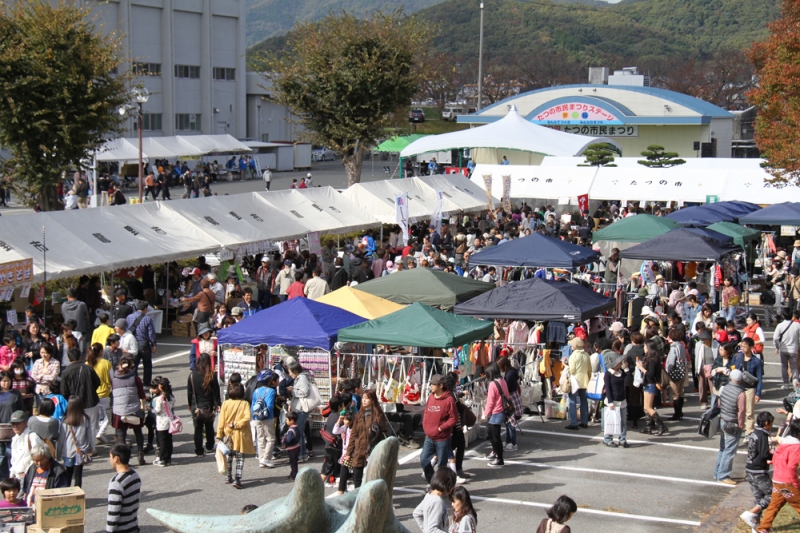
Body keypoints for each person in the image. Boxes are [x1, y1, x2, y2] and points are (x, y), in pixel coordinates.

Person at [755, 418, 800, 532]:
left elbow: (774, 458)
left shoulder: (784, 443)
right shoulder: (796, 447)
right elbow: (791, 466)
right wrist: (795, 483)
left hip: (777, 480)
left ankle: (763, 527)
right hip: (788, 482)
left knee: (774, 505)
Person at [342, 389, 386, 491]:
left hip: (372, 450)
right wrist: (348, 453)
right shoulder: (358, 415)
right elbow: (353, 435)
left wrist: (377, 431)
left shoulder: (378, 415)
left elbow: (384, 433)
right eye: (363, 398)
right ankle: (358, 498)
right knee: (357, 477)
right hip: (358, 450)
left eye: (367, 398)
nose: (364, 400)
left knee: (373, 477)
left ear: (373, 400)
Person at [740, 411, 775, 530]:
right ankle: (750, 513)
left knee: (758, 497)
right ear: (766, 423)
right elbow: (764, 454)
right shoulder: (763, 435)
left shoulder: (754, 433)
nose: (771, 426)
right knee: (773, 495)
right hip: (758, 471)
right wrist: (775, 457)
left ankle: (756, 525)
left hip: (749, 469)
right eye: (771, 423)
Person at [217, 381, 254, 489]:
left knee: (228, 455)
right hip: (240, 435)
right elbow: (247, 418)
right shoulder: (244, 404)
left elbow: (221, 421)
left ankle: (228, 476)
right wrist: (236, 424)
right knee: (240, 457)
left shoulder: (225, 403)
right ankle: (237, 479)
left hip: (228, 434)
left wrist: (219, 435)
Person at [111, 356, 147, 466]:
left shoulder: (114, 378)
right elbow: (142, 395)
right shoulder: (135, 379)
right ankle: (140, 455)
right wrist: (143, 408)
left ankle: (123, 460)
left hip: (118, 410)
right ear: (131, 366)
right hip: (134, 409)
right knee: (138, 432)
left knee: (121, 435)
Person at [421, 374, 457, 481]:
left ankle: (440, 486)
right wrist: (425, 425)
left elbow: (453, 418)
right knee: (424, 459)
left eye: (433, 384)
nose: (431, 386)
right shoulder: (431, 397)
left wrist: (441, 428)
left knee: (442, 464)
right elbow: (426, 412)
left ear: (441, 385)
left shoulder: (449, 400)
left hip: (442, 438)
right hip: (429, 436)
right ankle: (432, 481)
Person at [61, 346, 101, 440]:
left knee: (77, 425)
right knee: (91, 425)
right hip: (91, 401)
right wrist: (90, 390)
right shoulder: (89, 368)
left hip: (74, 404)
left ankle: (80, 445)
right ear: (80, 357)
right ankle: (91, 448)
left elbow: (64, 391)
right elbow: (98, 383)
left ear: (69, 359)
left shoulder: (65, 372)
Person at [715, 369, 746, 485]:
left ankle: (717, 472)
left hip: (723, 420)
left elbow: (719, 403)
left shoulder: (724, 388)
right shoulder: (740, 393)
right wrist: (741, 424)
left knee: (723, 448)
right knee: (729, 450)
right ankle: (723, 475)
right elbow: (741, 411)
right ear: (740, 380)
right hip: (732, 423)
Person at [188, 353, 221, 457]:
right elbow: (216, 391)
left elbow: (189, 391)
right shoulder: (211, 374)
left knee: (197, 428)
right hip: (208, 405)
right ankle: (210, 446)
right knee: (209, 426)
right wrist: (218, 404)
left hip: (196, 405)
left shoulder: (192, 375)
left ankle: (199, 450)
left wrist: (190, 404)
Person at [58, 396, 94, 487]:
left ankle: (67, 495)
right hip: (81, 451)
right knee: (78, 476)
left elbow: (61, 438)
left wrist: (58, 454)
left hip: (68, 452)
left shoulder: (65, 420)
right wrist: (92, 448)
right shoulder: (85, 419)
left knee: (68, 475)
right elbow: (90, 435)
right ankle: (78, 496)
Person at [288, 360, 320, 462]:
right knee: (299, 431)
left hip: (302, 409)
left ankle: (301, 454)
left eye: (290, 372)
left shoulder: (302, 377)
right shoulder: (300, 377)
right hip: (298, 408)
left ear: (295, 370)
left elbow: (305, 392)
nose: (289, 374)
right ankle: (301, 454)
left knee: (299, 431)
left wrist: (292, 390)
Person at [106, 443, 142, 533]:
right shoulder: (135, 475)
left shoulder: (117, 483)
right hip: (133, 526)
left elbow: (113, 512)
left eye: (110, 456)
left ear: (116, 458)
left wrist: (109, 531)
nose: (109, 460)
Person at [733, 337, 764, 435]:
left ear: (751, 347)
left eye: (745, 346)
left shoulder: (756, 361)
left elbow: (759, 377)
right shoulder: (737, 357)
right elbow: (732, 369)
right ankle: (738, 429)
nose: (743, 348)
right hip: (737, 387)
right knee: (737, 410)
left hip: (749, 388)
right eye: (742, 346)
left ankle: (749, 432)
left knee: (749, 412)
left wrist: (758, 393)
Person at [636, 339, 667, 436]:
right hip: (648, 384)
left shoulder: (652, 359)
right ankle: (648, 426)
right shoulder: (650, 358)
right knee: (646, 407)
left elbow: (650, 374)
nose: (644, 348)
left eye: (645, 347)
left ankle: (661, 425)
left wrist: (641, 368)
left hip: (651, 384)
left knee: (648, 407)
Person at [413, 468, 456, 533]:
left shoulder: (429, 495)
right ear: (448, 484)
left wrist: (425, 530)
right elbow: (432, 529)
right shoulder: (437, 502)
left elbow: (416, 513)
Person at [126, 300, 157, 388]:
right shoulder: (147, 319)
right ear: (145, 309)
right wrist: (154, 344)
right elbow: (151, 333)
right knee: (147, 364)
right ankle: (146, 384)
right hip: (144, 343)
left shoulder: (129, 317)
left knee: (134, 364)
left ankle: (135, 383)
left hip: (132, 342)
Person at [483, 362, 509, 467]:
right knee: (490, 432)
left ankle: (499, 459)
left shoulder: (492, 384)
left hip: (496, 412)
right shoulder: (502, 380)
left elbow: (490, 402)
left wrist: (485, 414)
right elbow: (507, 395)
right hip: (502, 410)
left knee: (495, 436)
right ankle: (495, 453)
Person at [87, 343, 113, 444]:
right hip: (105, 393)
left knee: (95, 416)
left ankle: (96, 434)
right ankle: (101, 432)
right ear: (101, 351)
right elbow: (112, 378)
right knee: (109, 414)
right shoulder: (106, 363)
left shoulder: (87, 363)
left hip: (92, 394)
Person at [602, 350, 629, 448]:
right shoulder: (608, 374)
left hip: (622, 400)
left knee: (623, 421)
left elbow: (628, 379)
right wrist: (610, 402)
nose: (621, 363)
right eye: (619, 362)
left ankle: (622, 439)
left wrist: (626, 369)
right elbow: (608, 389)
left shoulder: (621, 372)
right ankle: (608, 439)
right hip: (613, 401)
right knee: (611, 421)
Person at [251, 370, 277, 469]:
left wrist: (253, 416)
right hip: (267, 417)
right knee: (271, 439)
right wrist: (270, 415)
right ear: (269, 380)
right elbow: (270, 405)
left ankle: (261, 459)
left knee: (260, 438)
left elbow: (253, 404)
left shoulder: (256, 391)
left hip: (257, 416)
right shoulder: (271, 391)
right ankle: (266, 458)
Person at [565, 337, 591, 431]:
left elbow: (572, 370)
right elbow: (589, 369)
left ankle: (574, 423)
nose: (571, 346)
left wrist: (565, 365)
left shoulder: (573, 356)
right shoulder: (586, 355)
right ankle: (584, 422)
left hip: (575, 381)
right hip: (585, 380)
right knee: (584, 401)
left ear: (575, 346)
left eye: (572, 344)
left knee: (572, 401)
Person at [9, 410, 42, 481]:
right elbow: (14, 459)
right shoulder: (15, 438)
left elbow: (39, 457)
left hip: (28, 477)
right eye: (13, 424)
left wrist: (28, 472)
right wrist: (11, 474)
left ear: (25, 422)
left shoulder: (32, 436)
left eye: (18, 423)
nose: (15, 426)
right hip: (16, 476)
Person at [152, 376, 175, 467]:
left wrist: (150, 409)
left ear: (160, 387)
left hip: (162, 421)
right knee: (169, 440)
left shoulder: (160, 398)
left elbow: (157, 410)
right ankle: (168, 458)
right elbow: (172, 405)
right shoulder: (171, 396)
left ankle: (162, 459)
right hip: (170, 420)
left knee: (162, 441)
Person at [665, 327, 688, 421]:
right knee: (681, 392)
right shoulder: (681, 345)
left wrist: (667, 370)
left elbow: (671, 361)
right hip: (682, 371)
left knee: (675, 394)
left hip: (675, 372)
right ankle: (680, 412)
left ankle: (676, 413)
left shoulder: (673, 347)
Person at [774, 313, 800, 389]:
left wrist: (777, 347)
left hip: (783, 348)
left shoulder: (780, 325)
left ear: (783, 316)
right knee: (794, 366)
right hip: (794, 349)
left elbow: (775, 338)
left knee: (784, 366)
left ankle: (786, 383)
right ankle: (795, 382)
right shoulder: (797, 325)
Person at [695, 330, 714, 409]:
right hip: (702, 366)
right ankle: (703, 402)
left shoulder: (716, 345)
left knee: (713, 386)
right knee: (702, 386)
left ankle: (714, 402)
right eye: (701, 338)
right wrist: (697, 369)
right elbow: (697, 358)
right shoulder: (698, 345)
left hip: (712, 367)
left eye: (704, 338)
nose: (702, 340)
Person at [282, 411, 301, 482]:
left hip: (293, 448)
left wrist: (284, 441)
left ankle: (294, 475)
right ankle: (293, 473)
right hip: (296, 447)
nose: (286, 421)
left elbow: (288, 440)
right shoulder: (296, 428)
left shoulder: (291, 430)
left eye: (287, 419)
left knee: (293, 462)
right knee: (294, 462)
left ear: (292, 421)